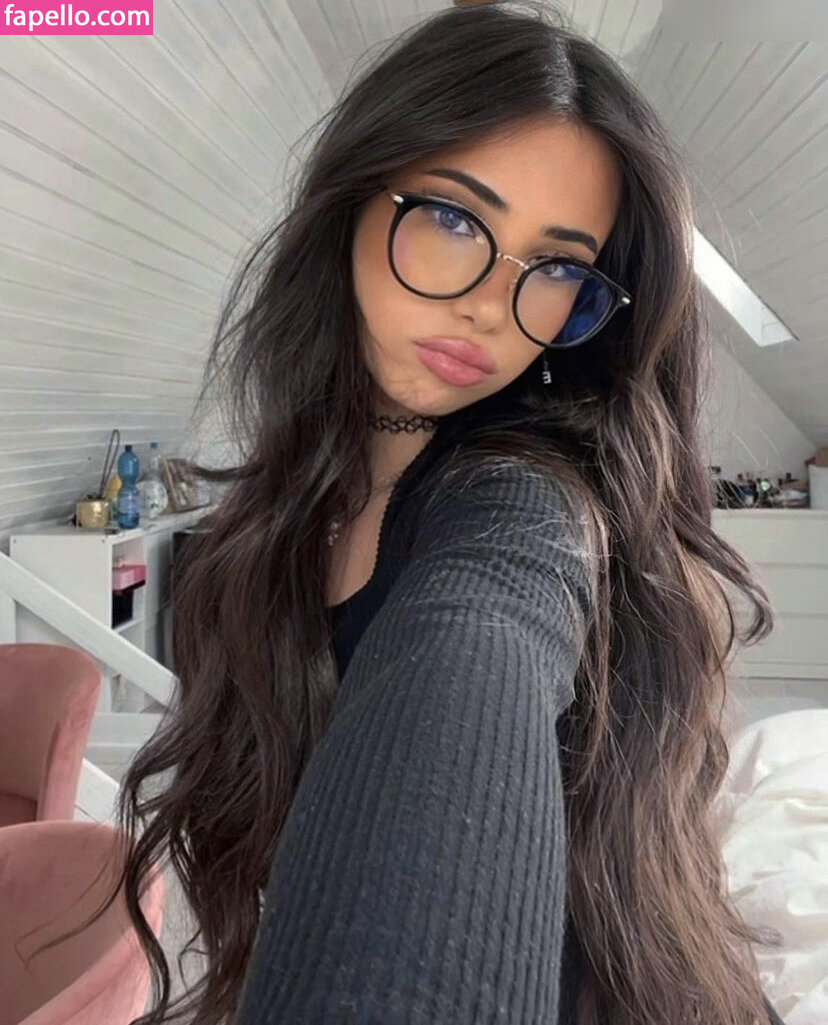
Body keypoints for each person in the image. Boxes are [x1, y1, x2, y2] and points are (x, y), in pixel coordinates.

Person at [111, 4, 787, 1023]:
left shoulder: (523, 499)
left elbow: (487, 621)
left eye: (556, 267)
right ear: (352, 201)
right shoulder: (288, 514)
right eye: (457, 220)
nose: (487, 303)